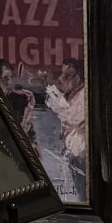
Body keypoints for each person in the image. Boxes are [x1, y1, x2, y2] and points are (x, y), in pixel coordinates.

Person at [44, 59, 88, 198]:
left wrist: (53, 92)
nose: (61, 79)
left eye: (67, 76)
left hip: (81, 157)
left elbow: (72, 118)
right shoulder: (71, 96)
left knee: (83, 194)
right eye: (61, 74)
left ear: (78, 78)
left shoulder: (83, 96)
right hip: (75, 156)